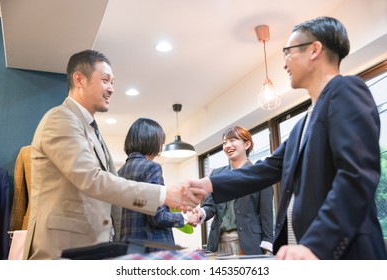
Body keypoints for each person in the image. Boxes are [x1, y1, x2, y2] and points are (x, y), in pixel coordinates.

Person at [186, 16, 387, 260]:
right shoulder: (303, 123)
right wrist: (210, 184)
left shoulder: (347, 90)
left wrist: (315, 244)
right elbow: (265, 169)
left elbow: (356, 175)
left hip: (343, 253)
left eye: (288, 52)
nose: (284, 63)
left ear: (314, 49)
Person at [22, 49, 204, 260]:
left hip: (93, 248)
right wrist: (164, 195)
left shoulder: (91, 128)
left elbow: (111, 196)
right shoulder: (60, 118)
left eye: (112, 82)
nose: (111, 89)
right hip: (61, 248)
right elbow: (91, 179)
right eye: (106, 80)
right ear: (79, 79)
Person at [118, 118, 198, 251]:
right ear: (152, 142)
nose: (160, 148)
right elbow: (158, 217)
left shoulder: (119, 173)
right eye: (160, 142)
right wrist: (186, 217)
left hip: (128, 249)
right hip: (152, 250)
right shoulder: (151, 168)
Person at [192, 126, 273, 255]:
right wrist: (200, 213)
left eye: (233, 140)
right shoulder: (217, 174)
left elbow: (266, 214)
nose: (227, 145)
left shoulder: (260, 174)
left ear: (247, 144)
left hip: (249, 243)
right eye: (224, 142)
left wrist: (268, 247)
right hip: (218, 243)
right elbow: (210, 206)